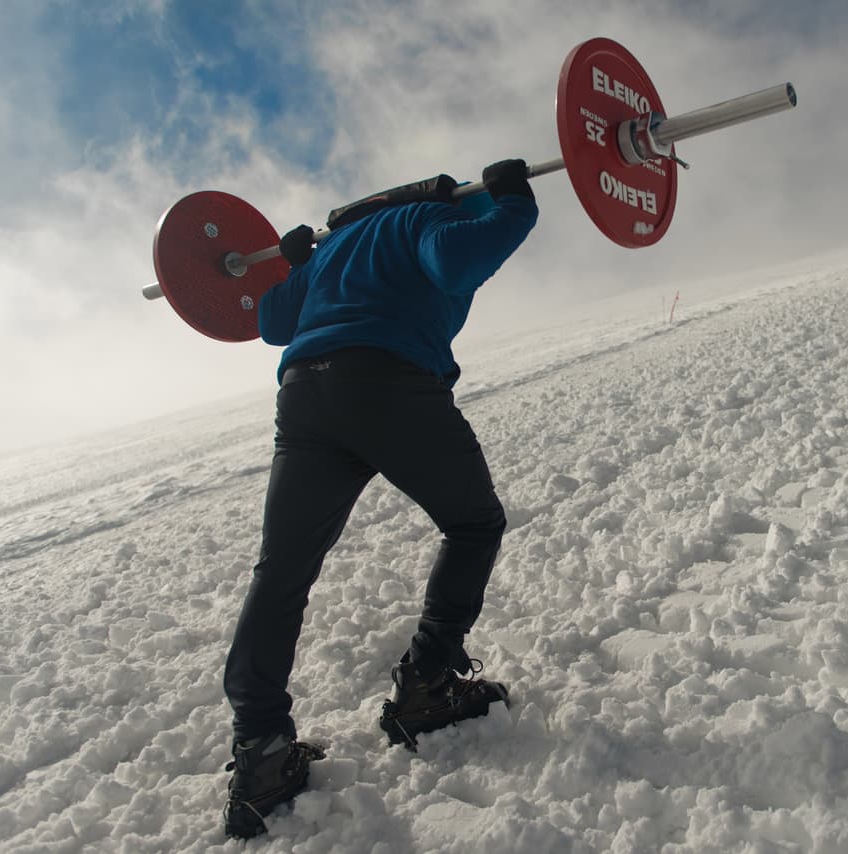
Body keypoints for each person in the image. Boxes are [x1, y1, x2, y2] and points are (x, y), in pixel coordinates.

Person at [220, 159, 538, 839]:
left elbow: (275, 319)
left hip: (305, 395)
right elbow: (455, 263)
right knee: (474, 521)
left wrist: (300, 263)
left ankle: (262, 750)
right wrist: (511, 203)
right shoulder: (430, 215)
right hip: (388, 381)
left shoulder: (333, 249)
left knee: (281, 571)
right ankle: (428, 682)